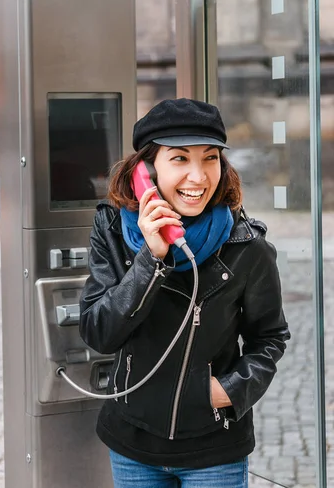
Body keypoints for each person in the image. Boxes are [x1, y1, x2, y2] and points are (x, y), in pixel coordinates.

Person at [79, 98, 290, 488]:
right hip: (132, 441)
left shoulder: (246, 246)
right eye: (179, 159)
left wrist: (228, 390)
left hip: (214, 449)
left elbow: (270, 337)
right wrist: (151, 257)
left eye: (209, 158)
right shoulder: (111, 232)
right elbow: (98, 331)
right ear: (146, 170)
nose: (198, 177)